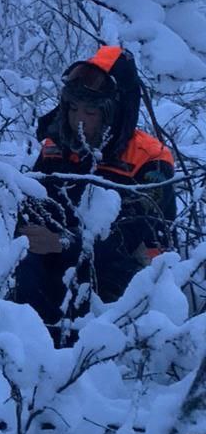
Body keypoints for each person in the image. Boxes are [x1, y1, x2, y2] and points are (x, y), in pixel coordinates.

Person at [13, 44, 175, 343]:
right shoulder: (56, 146)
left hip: (126, 276)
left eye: (90, 111)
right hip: (60, 260)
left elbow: (130, 235)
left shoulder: (151, 159)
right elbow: (33, 205)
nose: (79, 120)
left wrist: (62, 243)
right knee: (23, 267)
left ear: (115, 112)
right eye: (73, 108)